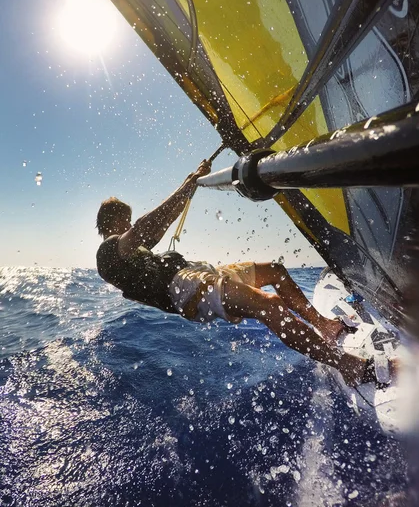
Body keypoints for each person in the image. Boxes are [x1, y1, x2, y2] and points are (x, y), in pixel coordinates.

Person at [96, 160, 383, 387]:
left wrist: (190, 183)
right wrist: (187, 184)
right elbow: (149, 226)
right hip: (185, 288)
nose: (130, 223)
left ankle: (324, 326)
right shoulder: (107, 253)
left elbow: (155, 226)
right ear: (114, 220)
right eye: (126, 219)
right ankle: (348, 365)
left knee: (275, 271)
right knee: (269, 306)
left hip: (199, 272)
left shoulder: (129, 251)